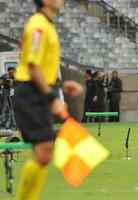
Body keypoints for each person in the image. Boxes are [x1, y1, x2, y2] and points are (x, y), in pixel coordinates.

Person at [13, 0, 83, 199]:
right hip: (30, 94)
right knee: (44, 151)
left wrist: (59, 85)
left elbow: (42, 67)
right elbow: (33, 67)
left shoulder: (47, 25)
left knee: (44, 154)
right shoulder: (38, 26)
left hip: (38, 92)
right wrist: (52, 97)